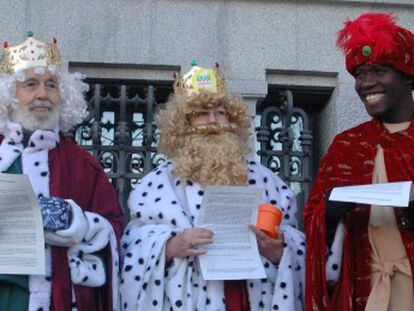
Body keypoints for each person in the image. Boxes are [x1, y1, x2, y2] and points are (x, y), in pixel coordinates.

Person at [120, 62, 305, 310]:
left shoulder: (267, 181)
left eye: (221, 113)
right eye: (202, 113)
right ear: (184, 124)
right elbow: (131, 248)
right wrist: (172, 245)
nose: (213, 121)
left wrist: (278, 250)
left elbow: (296, 242)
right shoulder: (155, 185)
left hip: (251, 298)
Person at [0, 32, 124, 311]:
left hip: (64, 298)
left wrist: (73, 220)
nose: (42, 94)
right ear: (9, 95)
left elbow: (114, 230)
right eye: (30, 84)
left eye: (51, 85)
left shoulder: (84, 165)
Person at [304, 13, 414, 311]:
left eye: (379, 71)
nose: (366, 83)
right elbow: (311, 220)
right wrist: (327, 215)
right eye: (360, 74)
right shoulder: (346, 146)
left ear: (408, 75)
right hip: (363, 292)